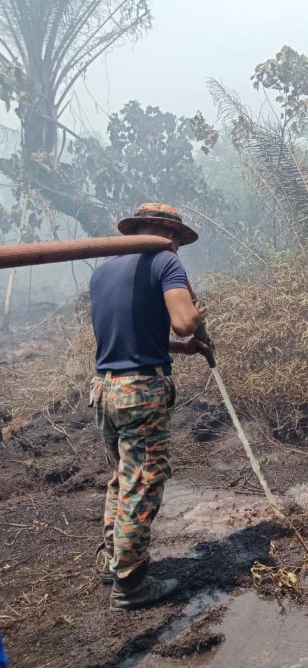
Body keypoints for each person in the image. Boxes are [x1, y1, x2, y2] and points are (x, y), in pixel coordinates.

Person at [89, 203, 210, 611]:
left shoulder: (103, 271)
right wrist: (195, 317)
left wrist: (179, 349)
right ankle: (131, 584)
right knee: (142, 483)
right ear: (164, 233)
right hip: (141, 392)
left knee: (122, 478)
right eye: (172, 236)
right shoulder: (165, 262)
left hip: (106, 389)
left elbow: (129, 336)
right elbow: (183, 322)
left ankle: (115, 562)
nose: (173, 243)